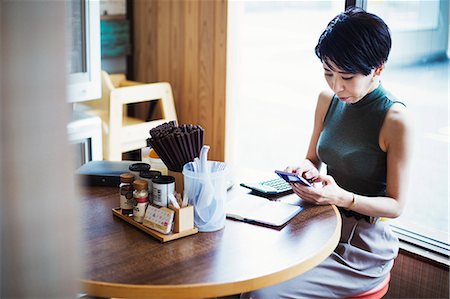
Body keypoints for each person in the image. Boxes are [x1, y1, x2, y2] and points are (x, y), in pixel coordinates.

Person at [242, 7, 412, 299]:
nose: (337, 86)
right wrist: (304, 170)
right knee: (246, 267)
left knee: (262, 294)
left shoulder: (395, 120)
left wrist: (342, 197)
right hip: (321, 223)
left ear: (378, 68)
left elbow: (396, 206)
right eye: (328, 73)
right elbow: (312, 159)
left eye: (347, 76)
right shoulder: (327, 100)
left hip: (362, 248)